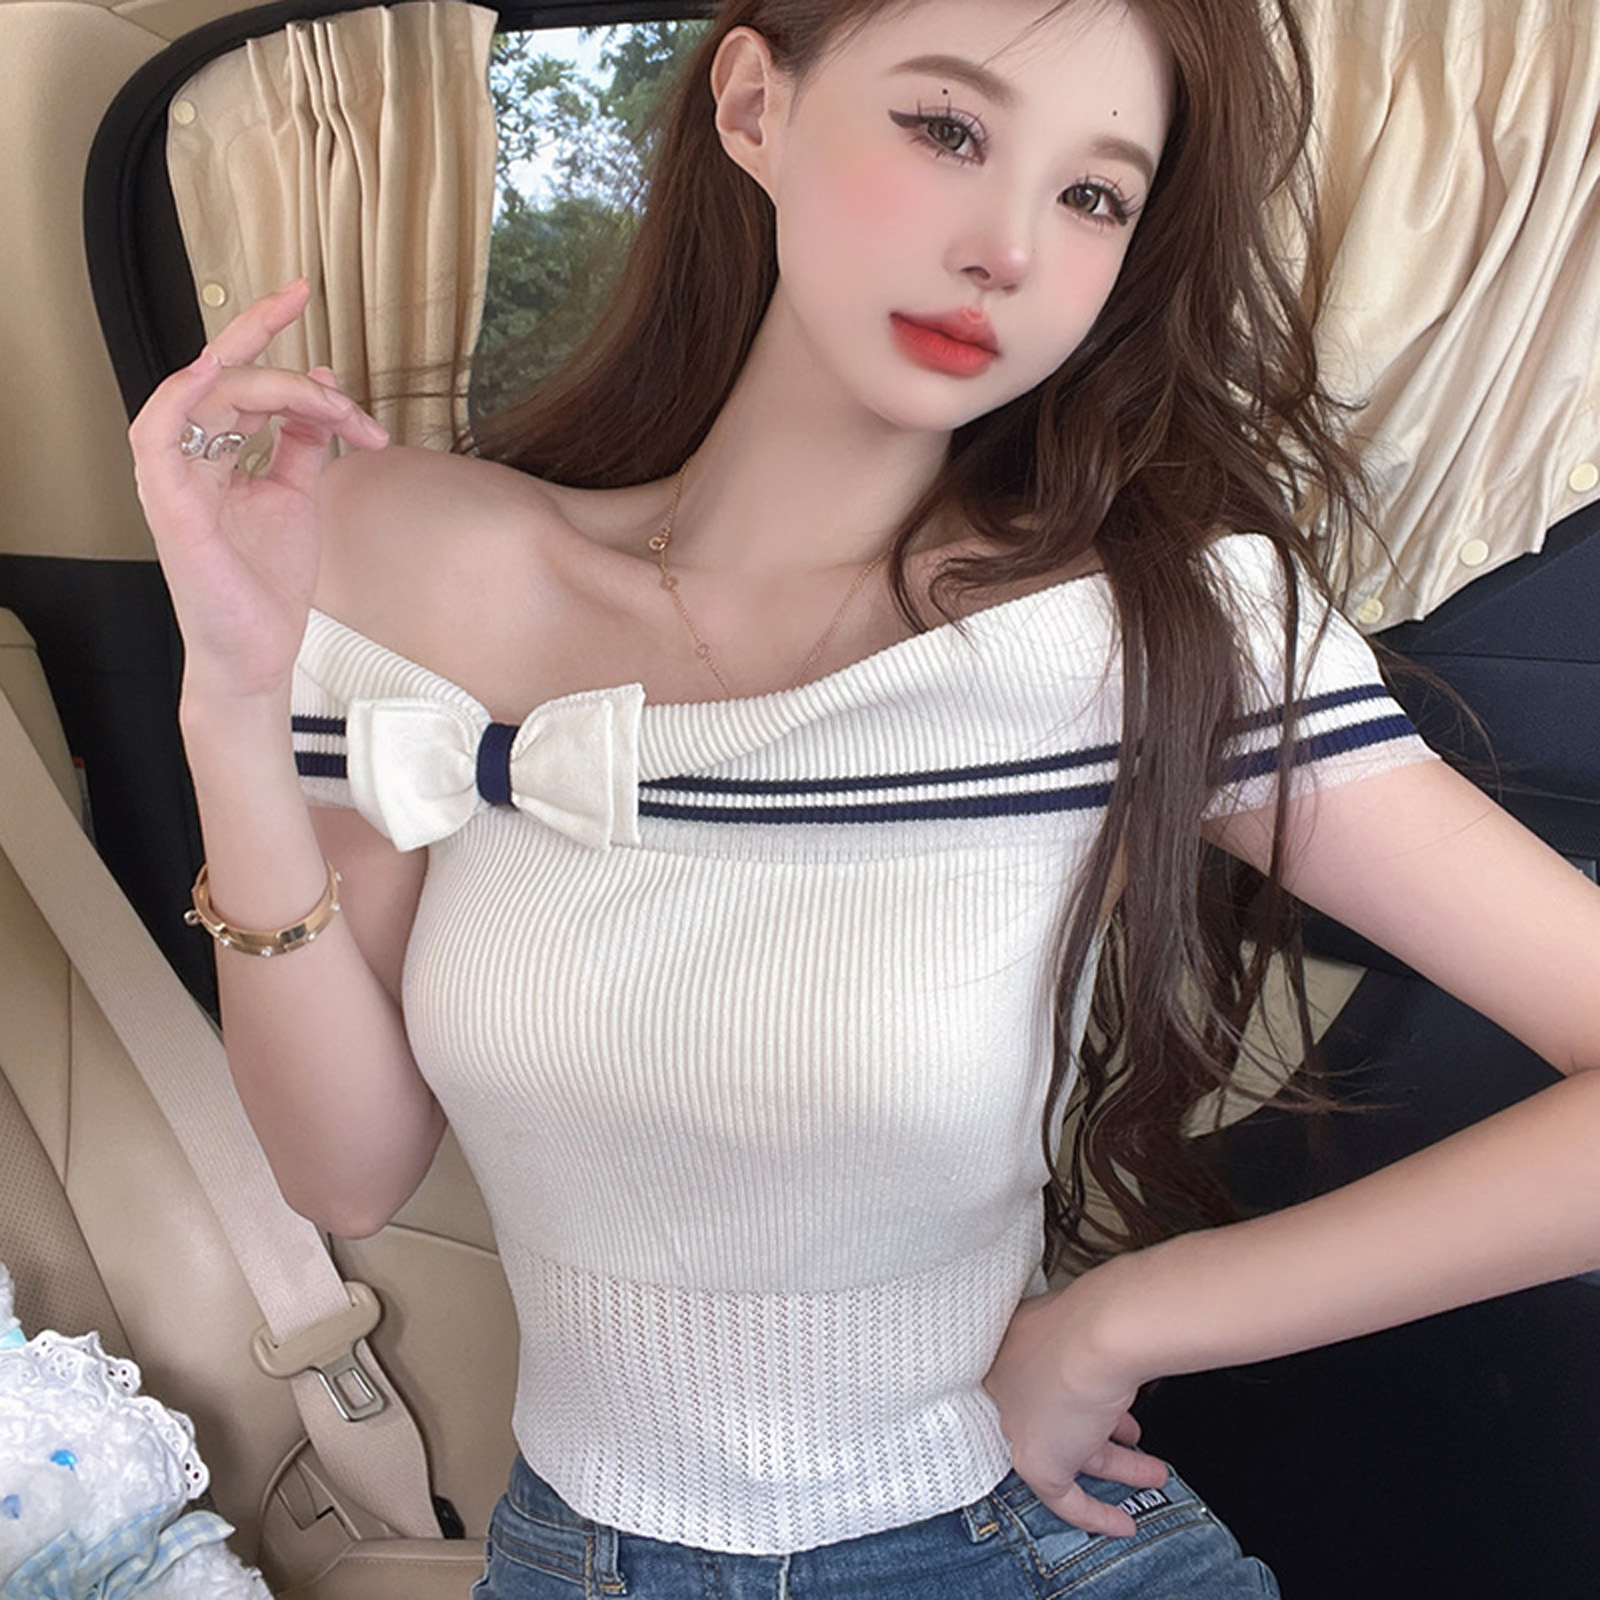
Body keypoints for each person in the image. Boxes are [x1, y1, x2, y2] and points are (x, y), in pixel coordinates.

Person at [126, 0, 1600, 1595]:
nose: (1007, 250)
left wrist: (1125, 1320)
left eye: (1091, 195)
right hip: (567, 1554)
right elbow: (345, 1173)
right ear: (754, 107)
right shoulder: (417, 561)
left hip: (1002, 1543)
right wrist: (230, 705)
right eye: (947, 130)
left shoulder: (1148, 629)